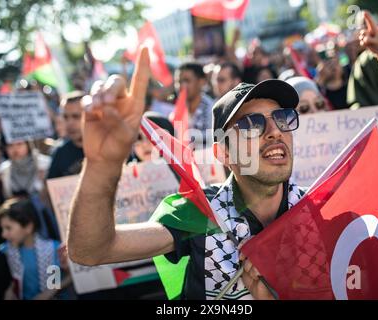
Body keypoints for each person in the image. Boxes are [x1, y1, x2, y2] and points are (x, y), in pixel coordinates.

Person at [68, 48, 305, 300]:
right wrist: (102, 165)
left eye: (283, 117)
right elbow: (90, 251)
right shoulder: (201, 212)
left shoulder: (317, 210)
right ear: (223, 153)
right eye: (251, 124)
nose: (275, 131)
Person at [0, 198, 69, 300]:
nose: (3, 234)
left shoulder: (52, 250)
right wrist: (11, 290)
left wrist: (49, 292)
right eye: (2, 229)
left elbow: (58, 278)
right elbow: (15, 278)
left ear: (28, 226)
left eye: (8, 228)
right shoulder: (7, 251)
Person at [46, 91, 85, 179]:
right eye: (65, 117)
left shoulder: (106, 148)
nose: (69, 123)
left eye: (76, 116)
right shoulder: (60, 153)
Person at [175, 63, 214, 148]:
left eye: (187, 81)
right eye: (179, 82)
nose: (182, 86)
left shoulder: (213, 110)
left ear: (202, 82)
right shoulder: (176, 111)